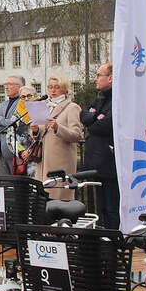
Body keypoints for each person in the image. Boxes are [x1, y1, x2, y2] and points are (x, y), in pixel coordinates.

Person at [32, 77, 83, 201]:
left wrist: (57, 128)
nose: (53, 90)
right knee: (43, 197)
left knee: (59, 198)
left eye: (57, 87)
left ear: (65, 90)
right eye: (50, 87)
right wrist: (35, 131)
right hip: (43, 160)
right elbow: (40, 133)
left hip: (61, 160)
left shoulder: (72, 107)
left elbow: (76, 135)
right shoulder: (44, 106)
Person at [81, 63, 118, 230]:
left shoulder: (117, 97)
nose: (95, 78)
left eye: (99, 75)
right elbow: (85, 116)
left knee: (112, 205)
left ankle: (114, 237)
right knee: (101, 205)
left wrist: (94, 118)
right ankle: (104, 235)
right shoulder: (100, 96)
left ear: (110, 78)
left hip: (109, 160)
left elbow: (105, 125)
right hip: (96, 159)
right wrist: (96, 116)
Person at [0, 75, 26, 175]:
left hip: (15, 150)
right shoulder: (3, 104)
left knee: (16, 181)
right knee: (4, 182)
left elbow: (16, 124)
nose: (6, 87)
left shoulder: (22, 103)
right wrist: (7, 123)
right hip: (1, 149)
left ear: (19, 87)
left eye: (9, 84)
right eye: (5, 84)